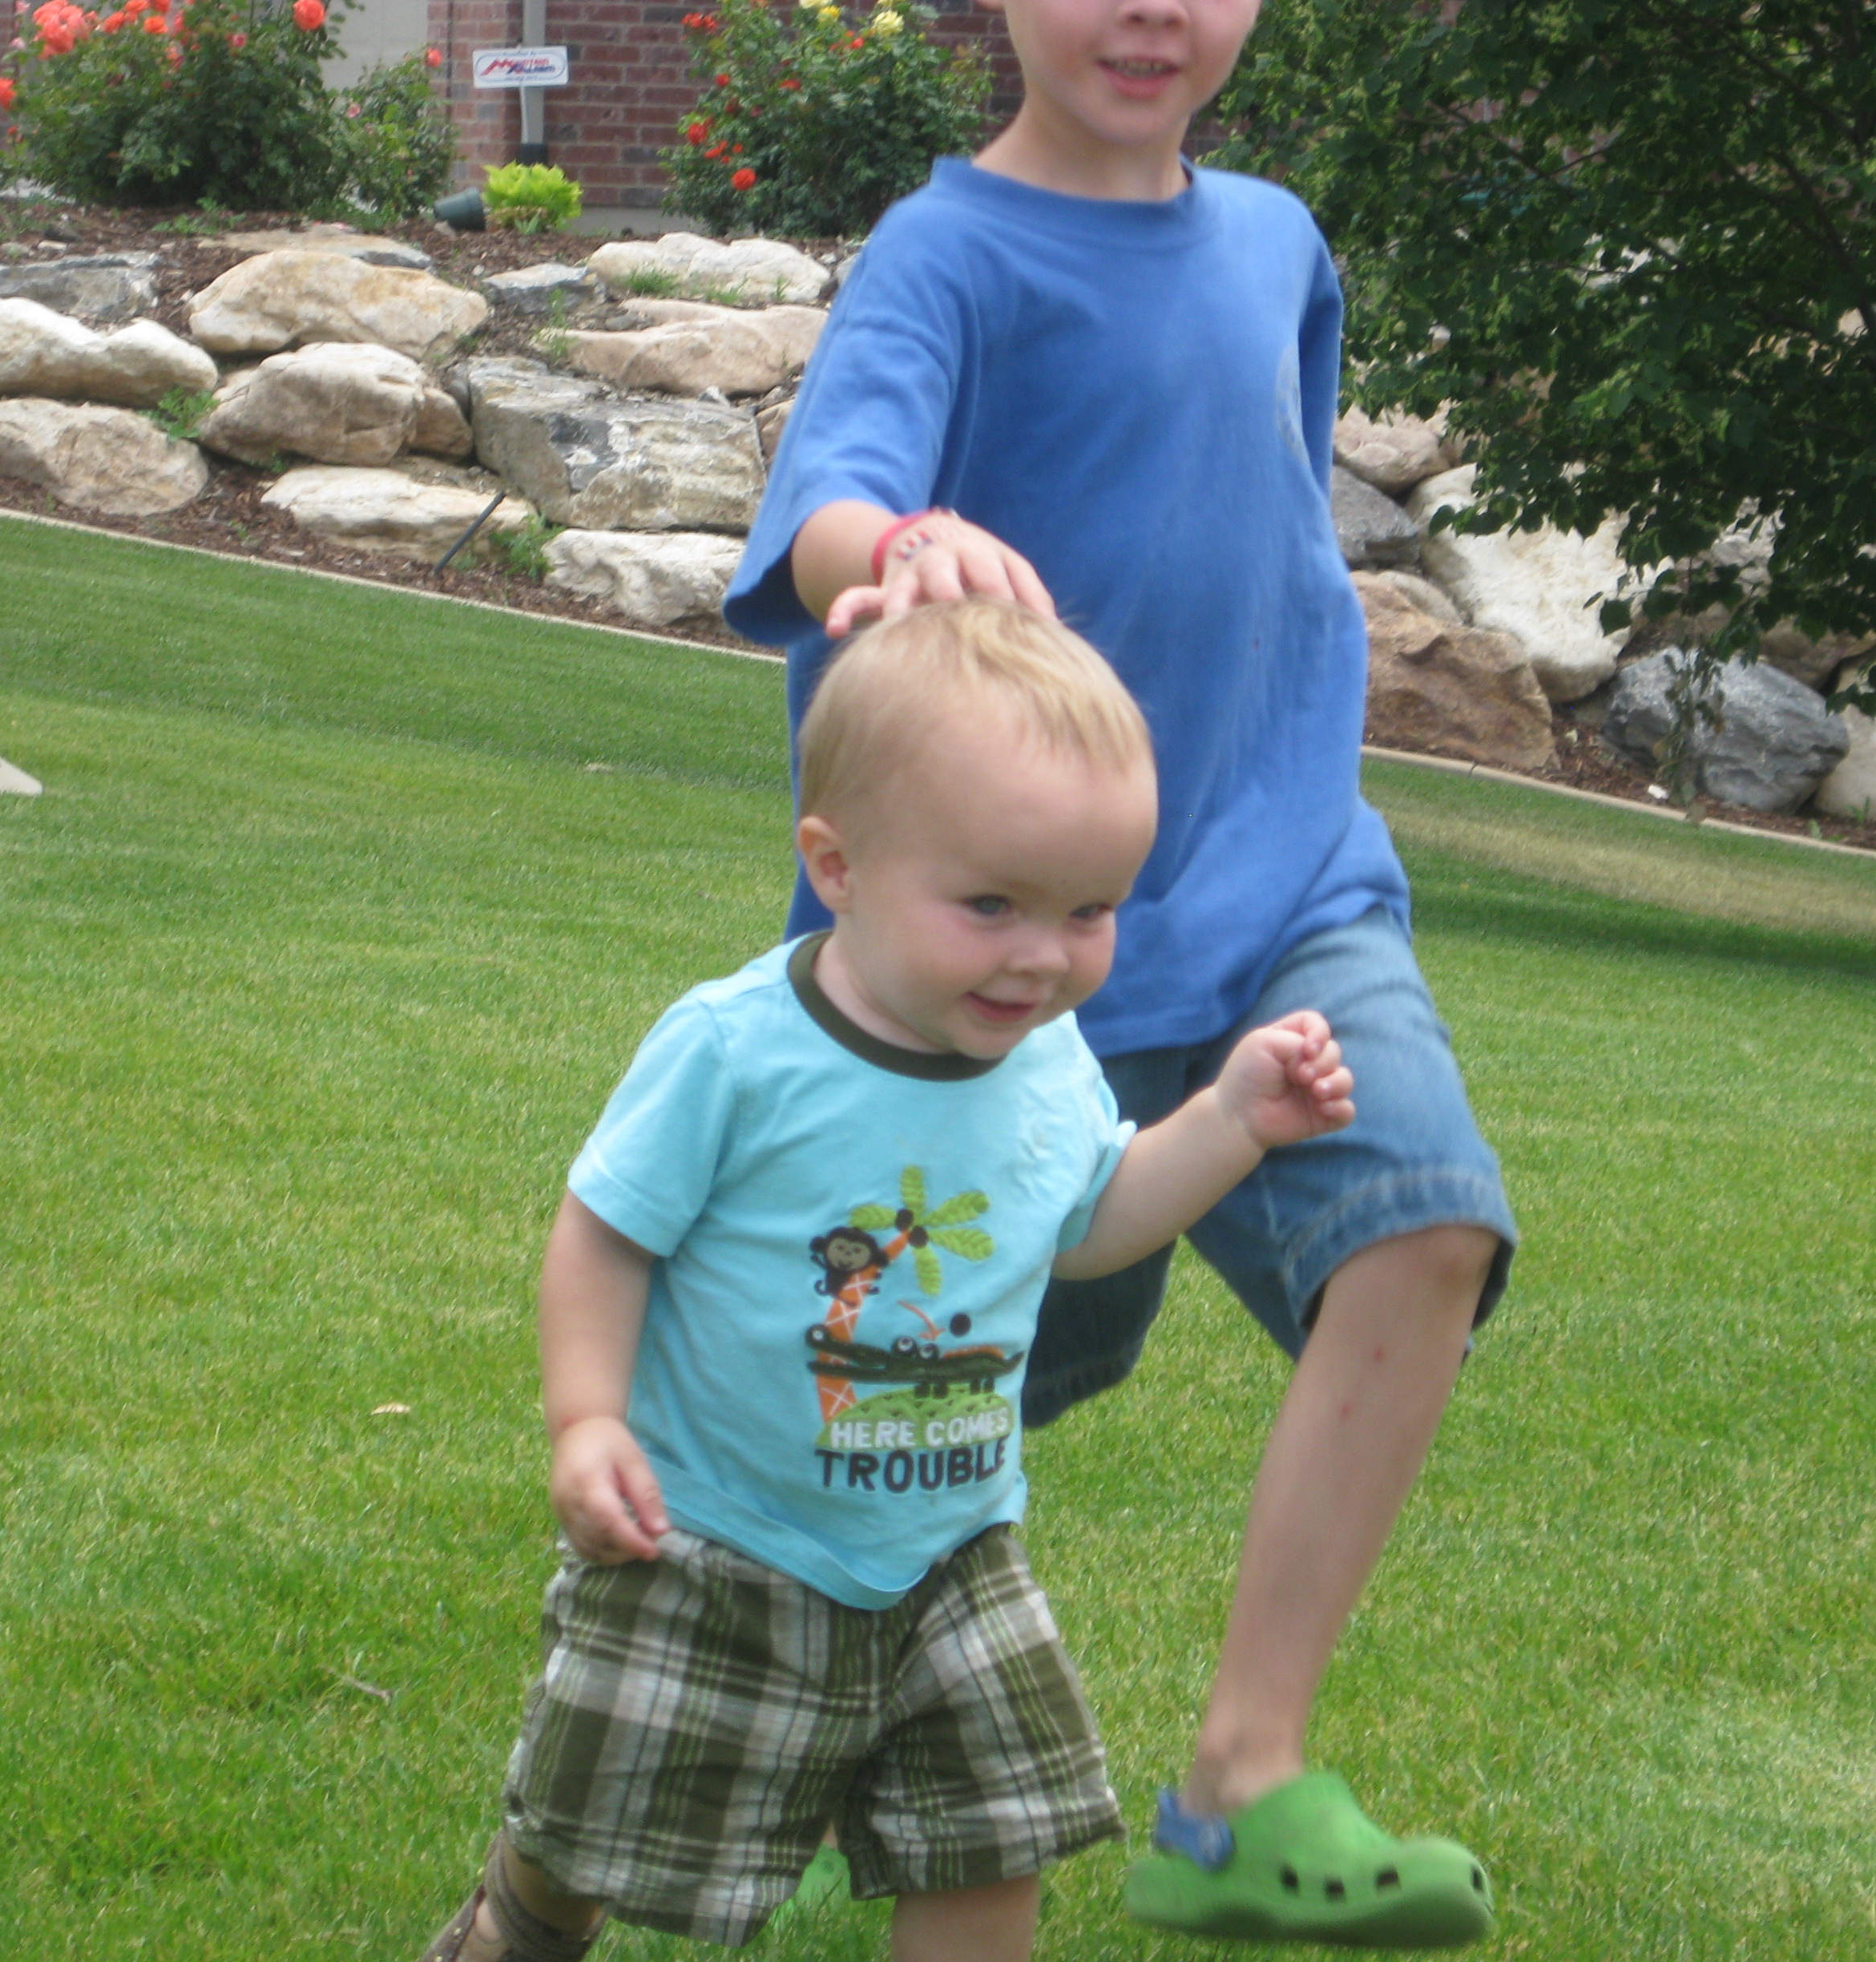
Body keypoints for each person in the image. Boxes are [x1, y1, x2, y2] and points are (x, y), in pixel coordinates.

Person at [717, 0, 1517, 1944]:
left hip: (1293, 883)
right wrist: (893, 550)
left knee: (1427, 1225)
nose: (1148, 10)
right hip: (1017, 966)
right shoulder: (947, 255)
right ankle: (756, 1692)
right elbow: (826, 506)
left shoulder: (1279, 243)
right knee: (906, 1399)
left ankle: (1242, 1783)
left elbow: (1257, 515)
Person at [427, 601, 1359, 1962]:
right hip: (716, 1537)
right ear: (839, 865)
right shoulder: (738, 1051)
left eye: (1089, 910)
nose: (1044, 956)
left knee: (999, 1840)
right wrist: (586, 1420)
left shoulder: (1044, 1055)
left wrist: (1227, 1123)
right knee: (599, 1820)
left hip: (956, 1551)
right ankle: (523, 1920)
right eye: (992, 904)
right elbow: (606, 1232)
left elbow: (1088, 1220)